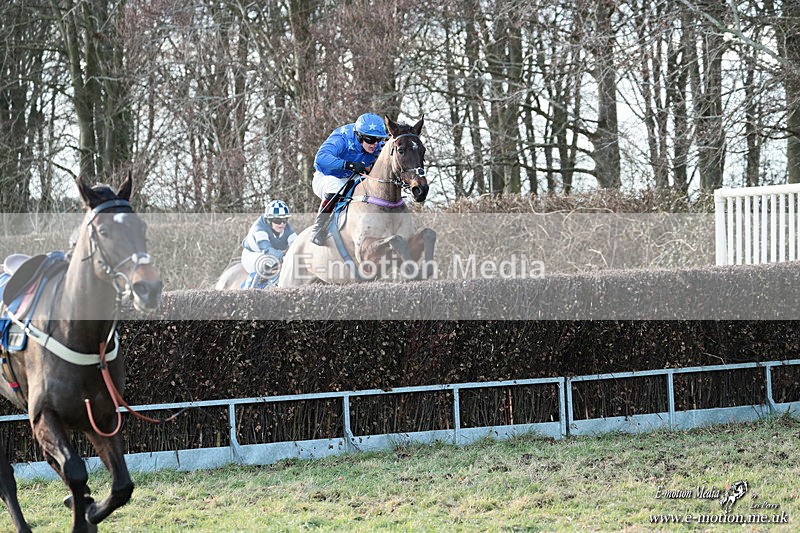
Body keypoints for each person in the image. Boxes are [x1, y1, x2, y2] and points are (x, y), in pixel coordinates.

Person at [310, 112, 389, 245]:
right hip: (327, 176)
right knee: (334, 186)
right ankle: (318, 228)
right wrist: (349, 165)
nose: (375, 144)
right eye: (370, 139)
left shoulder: (378, 145)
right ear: (359, 136)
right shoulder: (342, 138)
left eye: (378, 139)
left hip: (352, 178)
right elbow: (320, 159)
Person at [240, 199, 297, 288]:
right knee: (268, 261)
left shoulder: (289, 230)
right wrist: (285, 257)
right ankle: (251, 290)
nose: (281, 224)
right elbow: (267, 249)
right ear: (269, 220)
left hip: (272, 255)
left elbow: (296, 245)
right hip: (252, 255)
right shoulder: (259, 227)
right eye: (277, 221)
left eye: (285, 220)